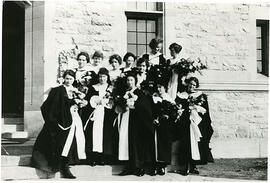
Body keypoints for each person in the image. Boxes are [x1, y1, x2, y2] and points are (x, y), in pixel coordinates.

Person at [31, 70, 87, 179]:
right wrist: (53, 121)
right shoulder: (58, 90)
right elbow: (47, 106)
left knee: (72, 142)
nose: (68, 81)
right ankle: (60, 166)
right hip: (62, 121)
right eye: (67, 78)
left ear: (74, 80)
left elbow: (78, 105)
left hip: (74, 120)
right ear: (63, 79)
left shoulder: (76, 91)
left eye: (71, 79)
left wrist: (79, 103)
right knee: (61, 144)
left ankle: (66, 166)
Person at [114, 71, 155, 177]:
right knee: (125, 142)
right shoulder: (124, 92)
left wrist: (135, 103)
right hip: (125, 119)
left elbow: (145, 107)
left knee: (136, 144)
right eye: (128, 80)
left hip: (136, 122)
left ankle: (138, 167)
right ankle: (129, 166)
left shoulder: (139, 93)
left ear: (135, 82)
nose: (129, 82)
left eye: (131, 80)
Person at [173, 77, 214, 176]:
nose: (192, 86)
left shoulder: (200, 96)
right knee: (186, 145)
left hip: (196, 124)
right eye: (190, 84)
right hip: (185, 124)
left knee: (196, 144)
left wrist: (197, 108)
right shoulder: (181, 95)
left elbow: (205, 111)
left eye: (194, 85)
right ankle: (185, 166)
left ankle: (193, 166)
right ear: (187, 84)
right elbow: (176, 108)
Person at [83, 68, 116, 166]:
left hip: (106, 115)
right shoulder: (93, 87)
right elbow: (89, 101)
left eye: (104, 76)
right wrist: (95, 102)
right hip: (95, 114)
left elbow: (113, 102)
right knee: (94, 135)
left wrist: (109, 102)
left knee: (105, 135)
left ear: (107, 77)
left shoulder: (111, 88)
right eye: (100, 76)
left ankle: (103, 158)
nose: (102, 79)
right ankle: (93, 158)